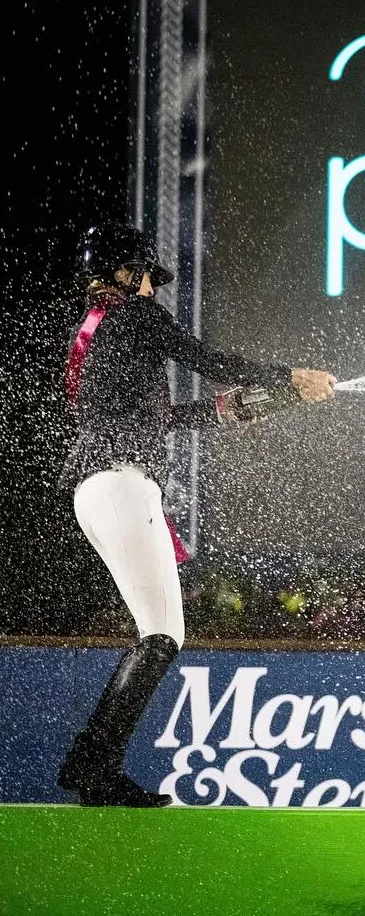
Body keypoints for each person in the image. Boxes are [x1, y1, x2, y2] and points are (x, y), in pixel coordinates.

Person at [56, 221, 337, 805]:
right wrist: (289, 378)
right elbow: (206, 358)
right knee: (162, 633)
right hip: (121, 484)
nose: (152, 290)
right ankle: (92, 766)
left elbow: (175, 418)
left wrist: (268, 400)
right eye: (147, 278)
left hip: (95, 491)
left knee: (156, 633)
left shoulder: (101, 334)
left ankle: (92, 763)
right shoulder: (138, 318)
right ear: (125, 274)